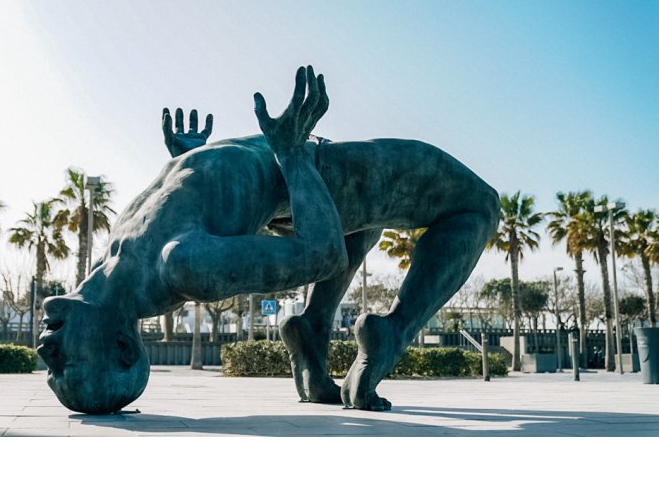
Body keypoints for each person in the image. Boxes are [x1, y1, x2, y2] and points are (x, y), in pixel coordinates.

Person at [37, 66, 499, 414]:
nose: (46, 351)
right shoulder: (184, 266)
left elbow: (194, 203)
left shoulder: (119, 256)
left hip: (287, 175)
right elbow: (323, 253)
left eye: (50, 366)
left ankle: (314, 330)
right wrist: (292, 153)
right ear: (120, 348)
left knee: (364, 226)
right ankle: (392, 332)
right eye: (66, 366)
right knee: (477, 204)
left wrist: (193, 156)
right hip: (310, 170)